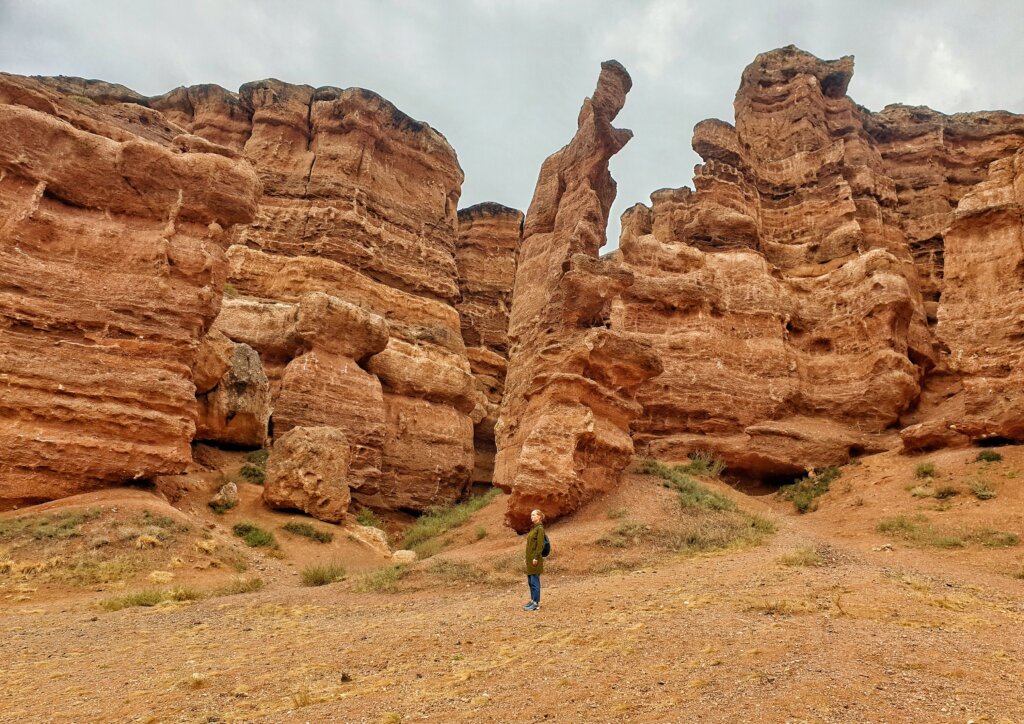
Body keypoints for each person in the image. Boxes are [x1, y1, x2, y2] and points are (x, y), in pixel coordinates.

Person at [523, 509, 545, 611]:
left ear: (539, 517)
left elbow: (540, 545)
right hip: (530, 559)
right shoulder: (534, 528)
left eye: (534, 515)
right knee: (530, 581)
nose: (532, 516)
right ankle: (532, 600)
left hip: (535, 559)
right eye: (531, 515)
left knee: (535, 581)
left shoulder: (540, 529)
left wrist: (536, 557)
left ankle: (536, 604)